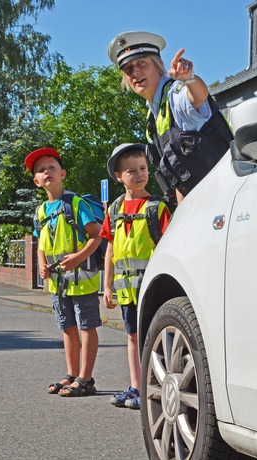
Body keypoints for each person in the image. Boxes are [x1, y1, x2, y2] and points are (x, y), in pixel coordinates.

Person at [107, 31, 233, 205]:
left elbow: (198, 97)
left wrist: (189, 79)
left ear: (158, 67)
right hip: (203, 205)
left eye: (141, 63)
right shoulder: (152, 118)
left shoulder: (175, 94)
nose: (135, 72)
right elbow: (181, 180)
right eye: (128, 69)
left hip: (229, 195)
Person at [100, 143, 171, 410]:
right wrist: (106, 286)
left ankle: (154, 387)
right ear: (118, 177)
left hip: (152, 288)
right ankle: (136, 387)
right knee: (132, 336)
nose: (140, 174)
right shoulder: (115, 209)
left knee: (153, 337)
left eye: (143, 168)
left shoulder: (156, 207)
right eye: (131, 171)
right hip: (127, 289)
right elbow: (109, 249)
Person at [26, 147, 102, 397]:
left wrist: (79, 257)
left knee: (86, 326)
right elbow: (40, 244)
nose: (46, 171)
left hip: (82, 280)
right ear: (36, 182)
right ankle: (71, 374)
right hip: (59, 283)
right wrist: (41, 265)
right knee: (67, 326)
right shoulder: (40, 211)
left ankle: (86, 378)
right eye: (40, 170)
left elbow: (96, 236)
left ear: (63, 174)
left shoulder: (74, 203)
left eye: (51, 167)